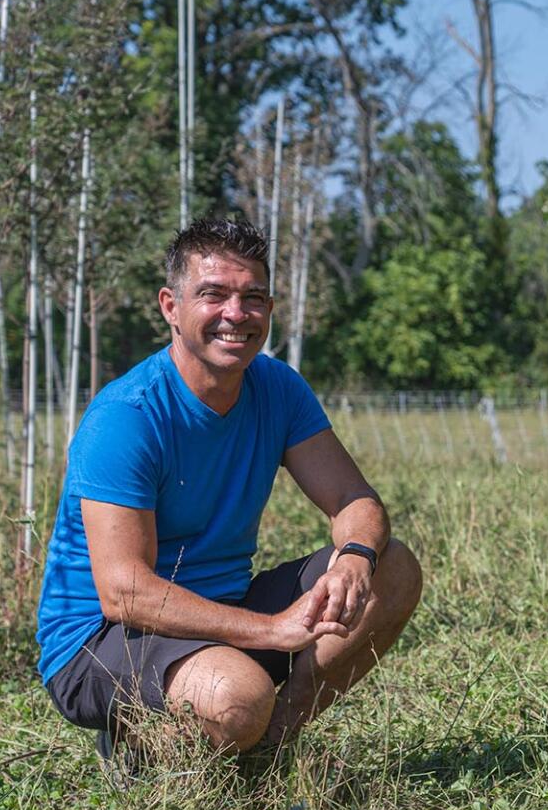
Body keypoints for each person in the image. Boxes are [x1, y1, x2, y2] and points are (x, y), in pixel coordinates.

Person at [35, 217, 423, 769]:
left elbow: (354, 500)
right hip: (101, 638)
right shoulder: (127, 417)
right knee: (236, 695)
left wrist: (356, 558)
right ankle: (142, 746)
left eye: (254, 297)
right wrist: (272, 629)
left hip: (221, 608)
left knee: (395, 568)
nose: (236, 315)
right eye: (214, 295)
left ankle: (267, 746)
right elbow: (126, 593)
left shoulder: (277, 388)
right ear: (171, 305)